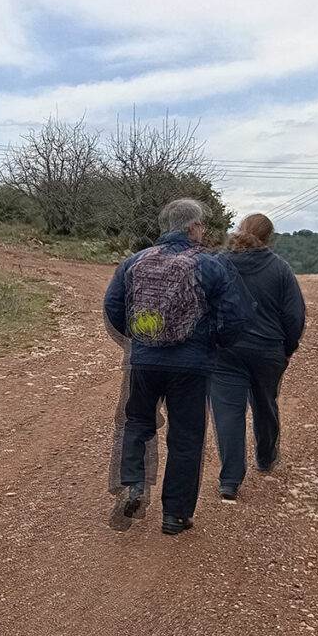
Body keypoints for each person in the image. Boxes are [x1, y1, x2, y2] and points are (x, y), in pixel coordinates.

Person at [104, 199, 251, 535]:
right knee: (185, 438)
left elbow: (113, 306)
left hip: (144, 361)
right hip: (191, 365)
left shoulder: (134, 261)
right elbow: (236, 317)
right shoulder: (210, 265)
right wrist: (211, 342)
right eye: (202, 226)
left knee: (137, 423)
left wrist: (140, 337)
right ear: (193, 227)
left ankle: (134, 485)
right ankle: (175, 516)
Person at [210, 214, 305, 500]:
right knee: (265, 403)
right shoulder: (280, 269)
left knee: (227, 412)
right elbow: (294, 316)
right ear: (269, 238)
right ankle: (265, 457)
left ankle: (229, 481)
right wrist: (286, 349)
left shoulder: (217, 264)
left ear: (239, 231)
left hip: (224, 351)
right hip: (268, 351)